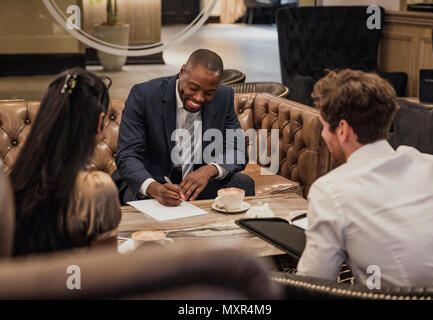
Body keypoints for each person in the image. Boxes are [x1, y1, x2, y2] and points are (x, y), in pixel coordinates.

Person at [296, 69, 433, 287]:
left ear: (342, 129)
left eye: (323, 126)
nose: (322, 135)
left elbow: (313, 284)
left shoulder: (331, 190)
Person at [113, 49, 255, 206]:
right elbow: (127, 154)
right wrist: (155, 188)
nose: (199, 98)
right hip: (152, 181)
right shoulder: (144, 95)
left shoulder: (223, 97)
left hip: (194, 185)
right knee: (138, 198)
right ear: (182, 72)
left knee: (244, 183)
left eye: (209, 93)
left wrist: (209, 170)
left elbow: (238, 150)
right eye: (193, 88)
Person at [10, 68, 121, 256]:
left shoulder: (13, 181)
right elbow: (107, 273)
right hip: (75, 284)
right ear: (99, 121)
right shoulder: (96, 189)